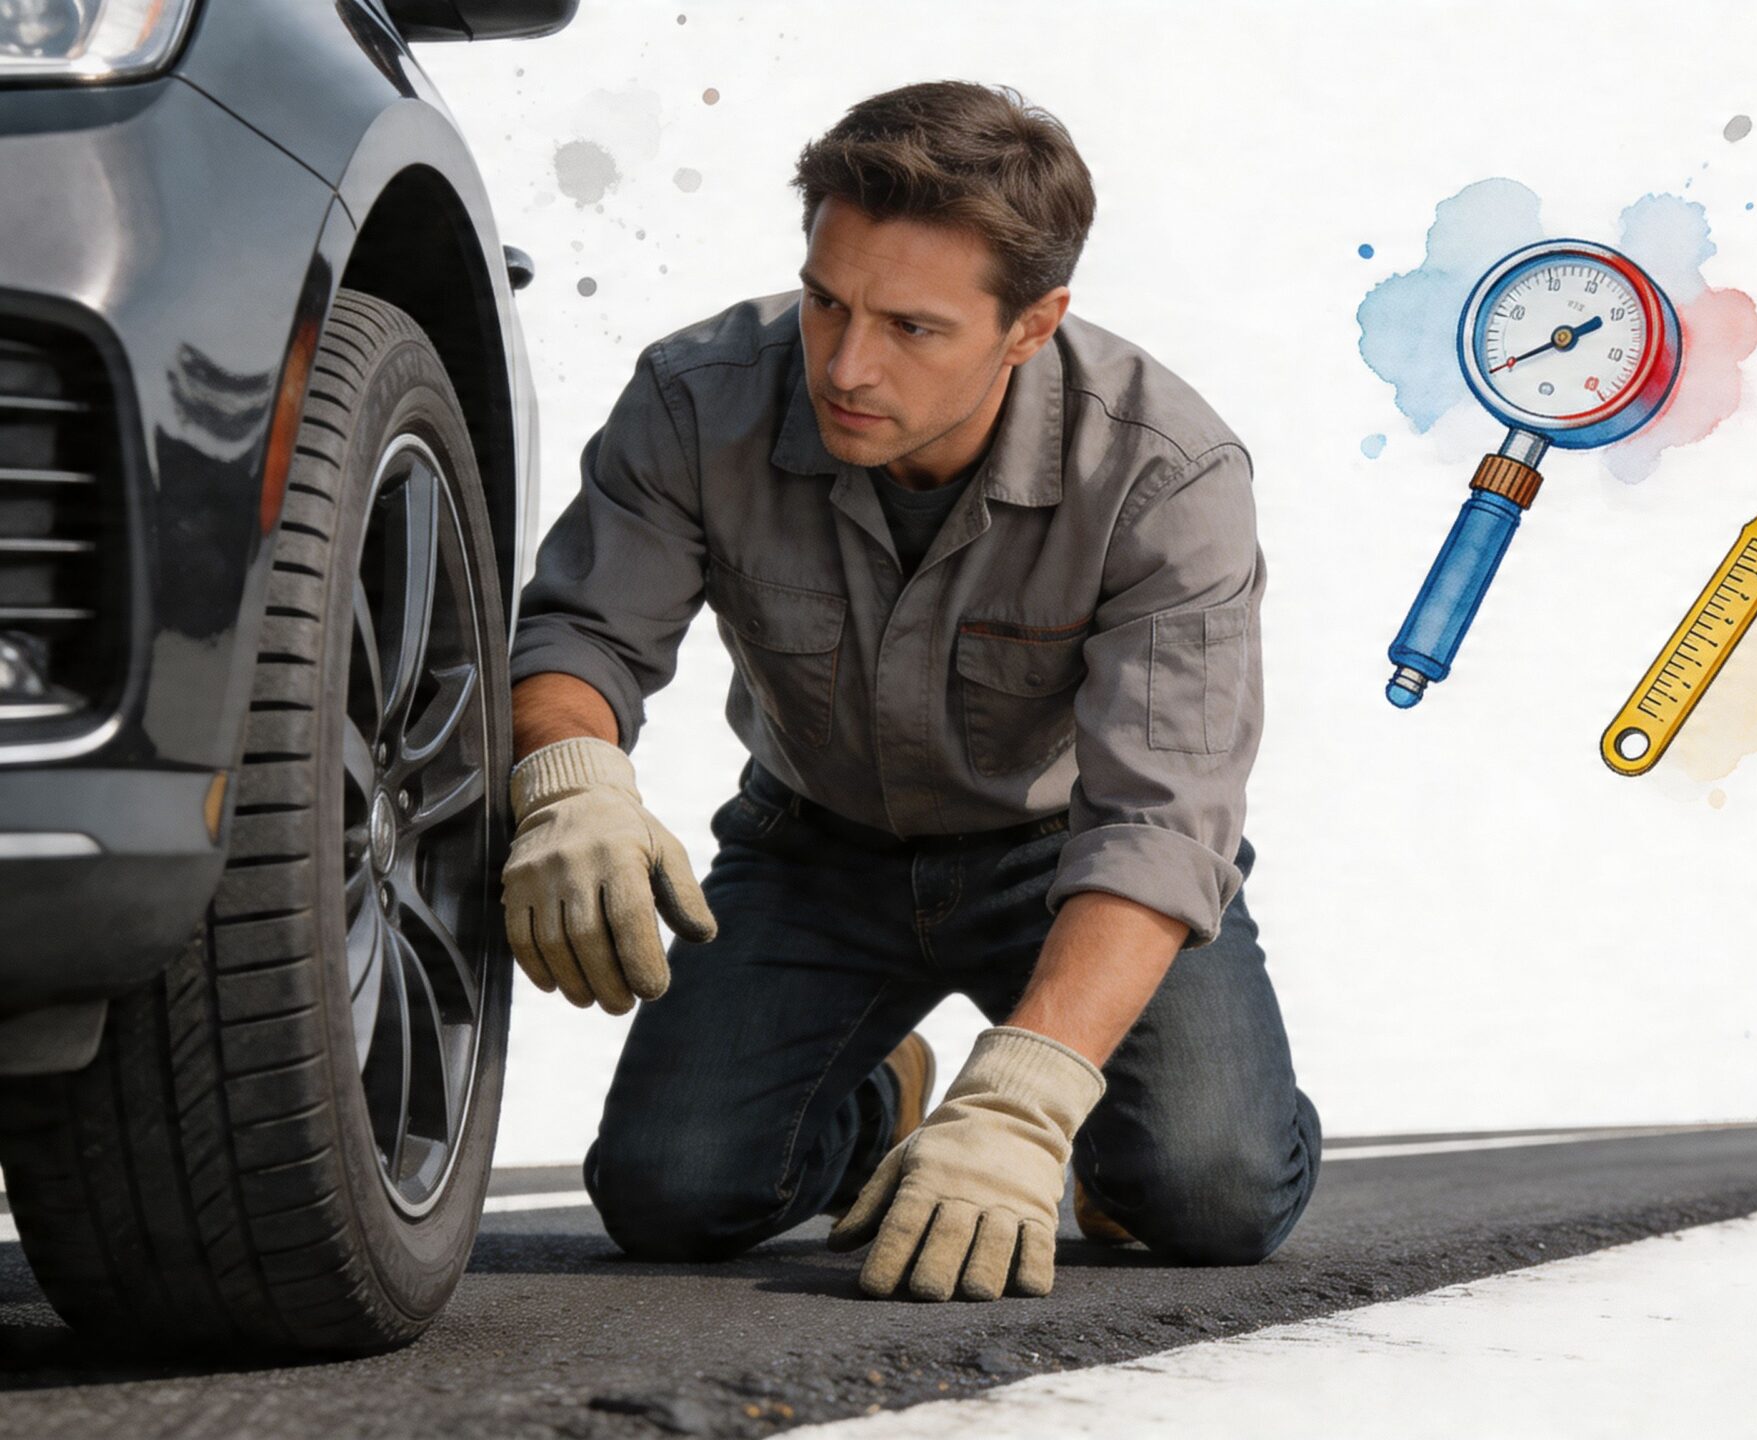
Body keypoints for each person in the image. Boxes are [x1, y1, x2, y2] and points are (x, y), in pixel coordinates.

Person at [497, 80, 1320, 1303]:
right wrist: (572, 780)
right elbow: (583, 632)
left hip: (1065, 864)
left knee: (1209, 1191)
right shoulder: (695, 397)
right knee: (671, 1197)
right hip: (812, 854)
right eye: (828, 303)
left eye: (913, 329)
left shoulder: (1165, 472)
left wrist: (1028, 1105)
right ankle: (884, 1093)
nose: (845, 363)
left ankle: (1104, 1127)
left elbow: (1160, 820)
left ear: (1031, 324)